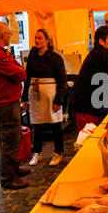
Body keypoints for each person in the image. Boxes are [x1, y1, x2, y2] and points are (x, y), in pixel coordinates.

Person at [22, 28, 67, 167]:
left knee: (55, 125)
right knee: (37, 124)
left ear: (47, 41)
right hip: (34, 94)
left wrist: (59, 100)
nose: (37, 40)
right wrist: (24, 98)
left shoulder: (56, 58)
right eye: (36, 38)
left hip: (51, 95)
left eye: (40, 38)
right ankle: (37, 153)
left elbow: (62, 80)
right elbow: (27, 77)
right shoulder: (32, 56)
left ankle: (58, 153)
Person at [0, 21, 29, 190]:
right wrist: (20, 68)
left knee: (14, 138)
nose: (10, 36)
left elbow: (18, 70)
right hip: (5, 103)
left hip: (8, 101)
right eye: (8, 33)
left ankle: (13, 169)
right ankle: (8, 179)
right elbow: (20, 73)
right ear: (3, 36)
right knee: (10, 140)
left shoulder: (2, 52)